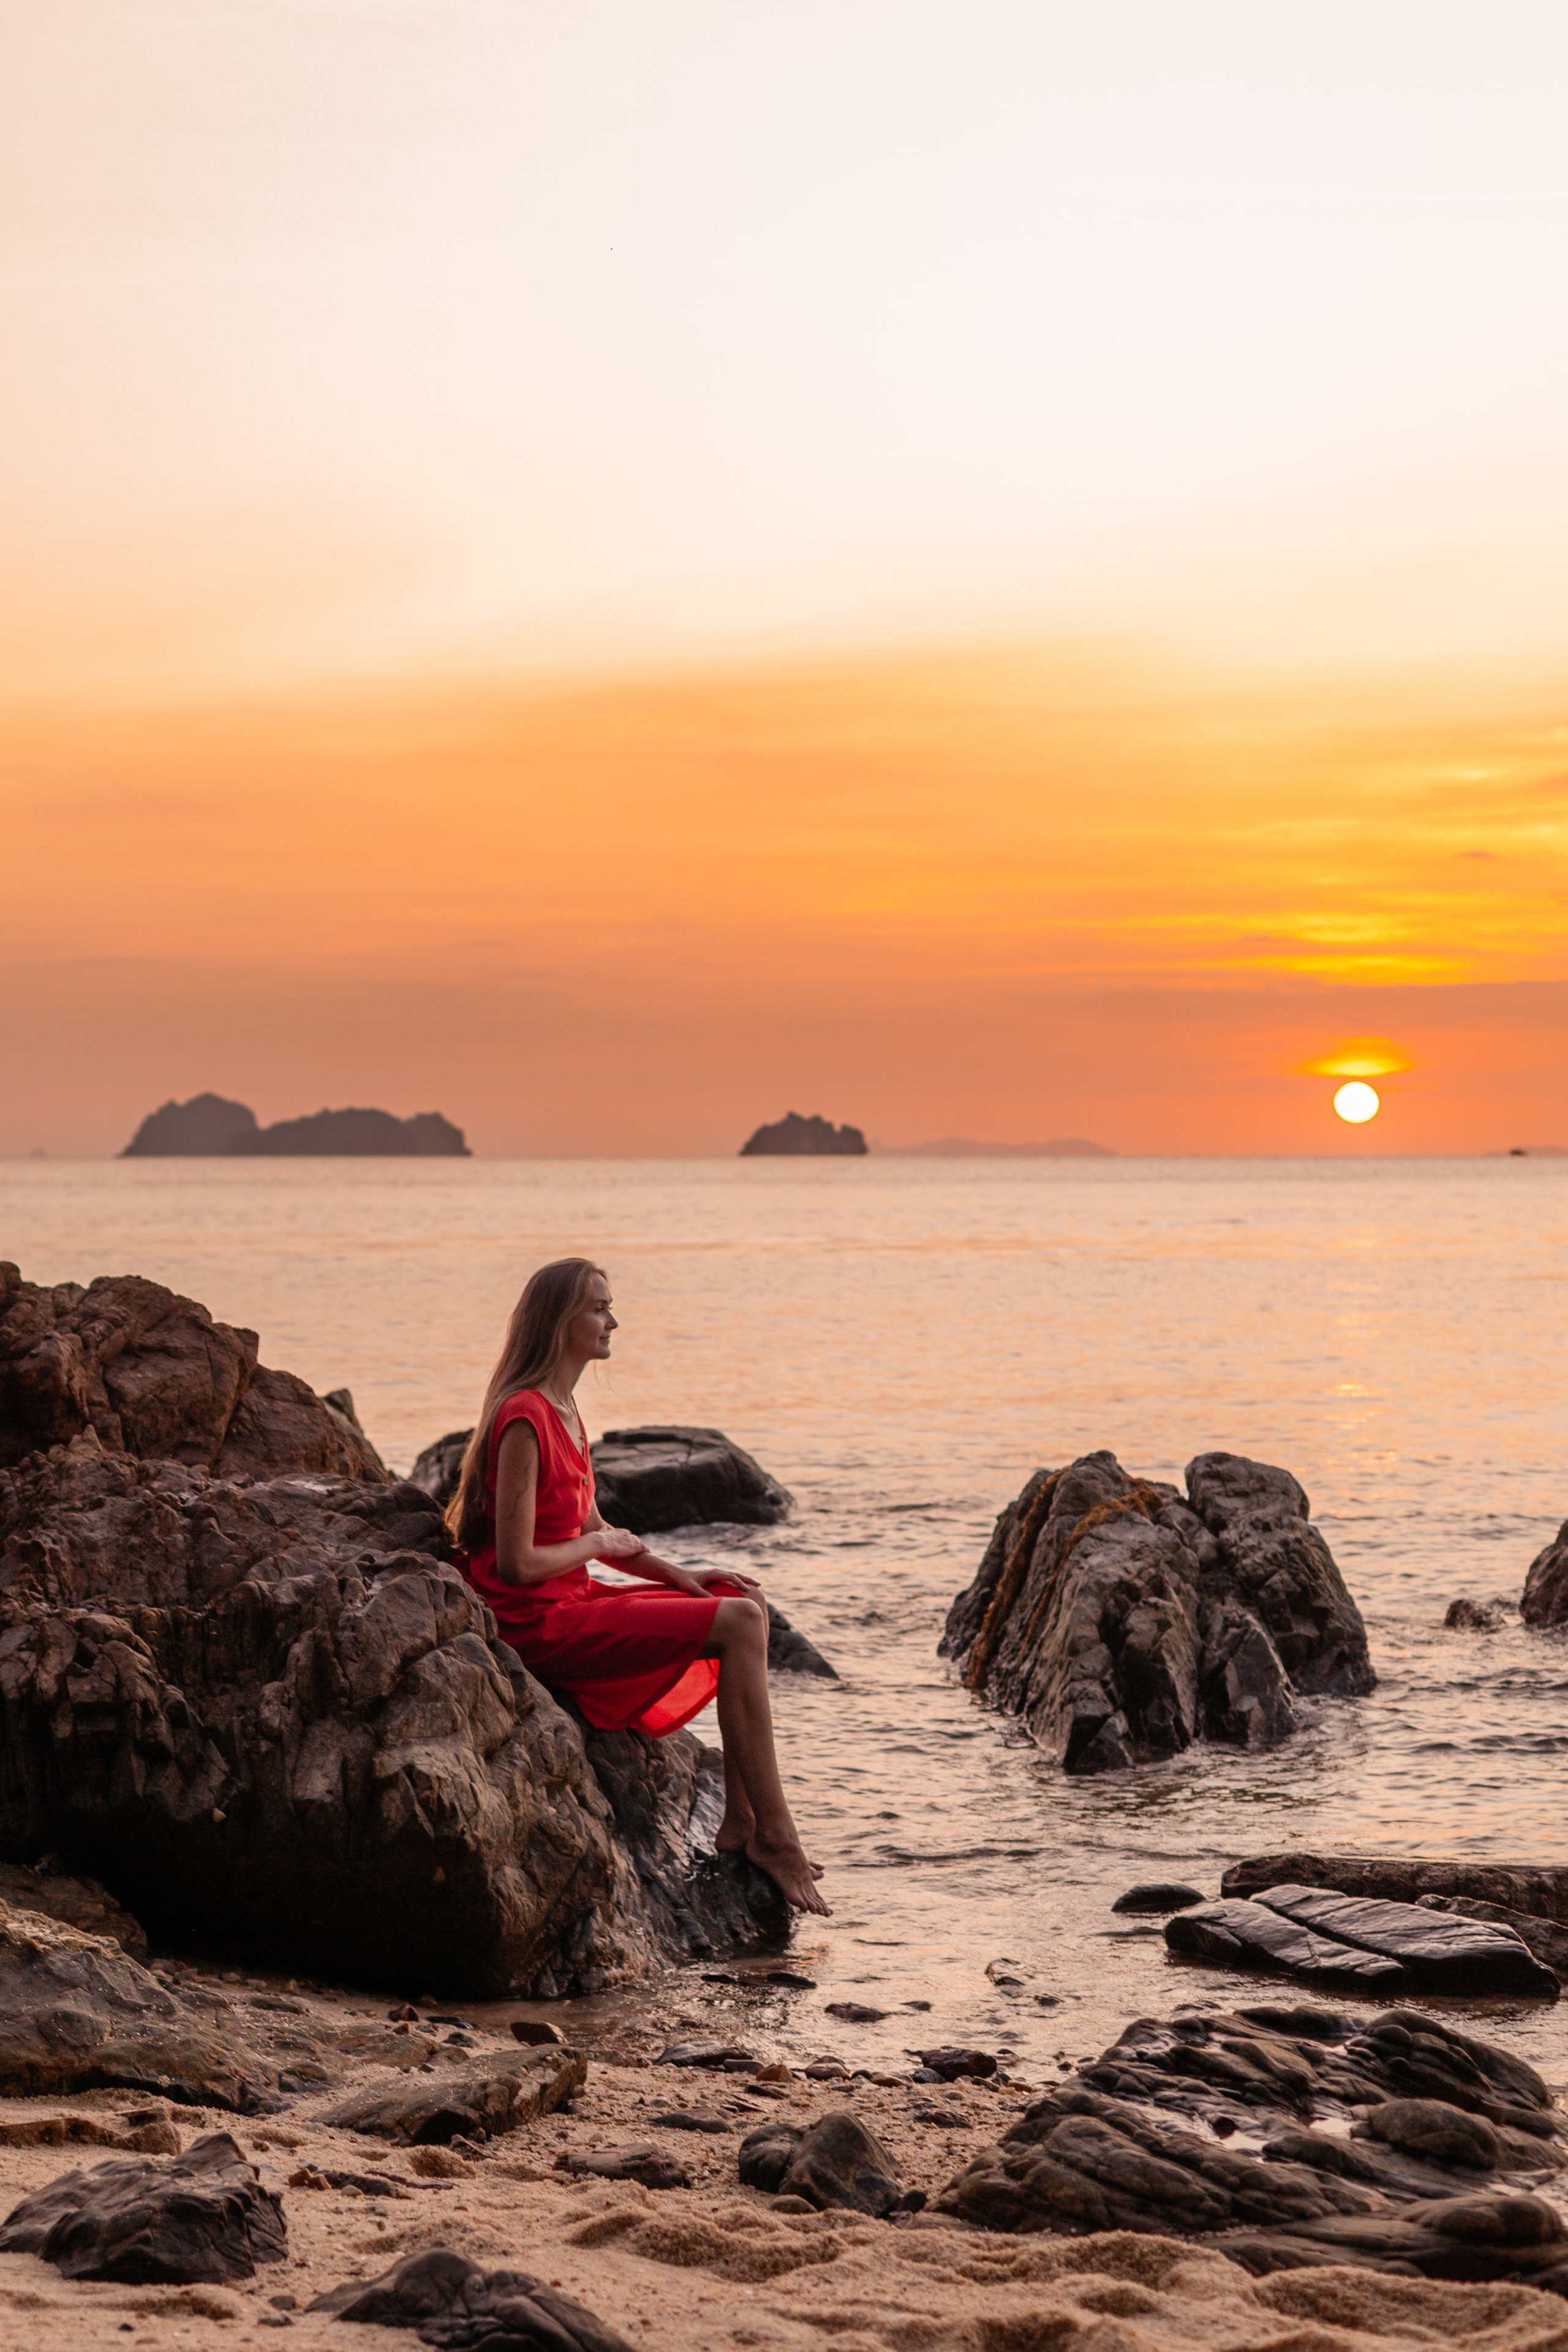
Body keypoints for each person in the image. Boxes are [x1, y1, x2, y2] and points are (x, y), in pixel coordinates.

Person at [447, 1257, 828, 1916]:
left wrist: (686, 1579)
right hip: (533, 1622)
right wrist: (597, 1549)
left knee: (744, 1602)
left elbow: (597, 1526)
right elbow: (516, 1566)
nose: (612, 1321)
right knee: (736, 1624)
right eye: (599, 1308)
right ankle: (778, 1837)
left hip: (572, 1599)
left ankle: (741, 1821)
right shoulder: (522, 1418)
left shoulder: (565, 1411)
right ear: (560, 1321)